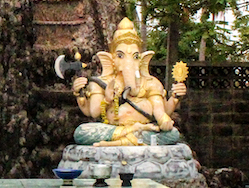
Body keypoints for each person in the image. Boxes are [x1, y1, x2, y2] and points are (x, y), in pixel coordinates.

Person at [71, 18, 187, 147]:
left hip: (145, 128)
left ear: (142, 59)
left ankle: (120, 141)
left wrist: (166, 115)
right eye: (120, 56)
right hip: (117, 129)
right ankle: (133, 134)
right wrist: (107, 100)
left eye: (135, 56)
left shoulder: (150, 82)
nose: (129, 62)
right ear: (111, 59)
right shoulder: (102, 82)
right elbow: (93, 112)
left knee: (173, 134)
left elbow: (160, 110)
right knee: (81, 132)